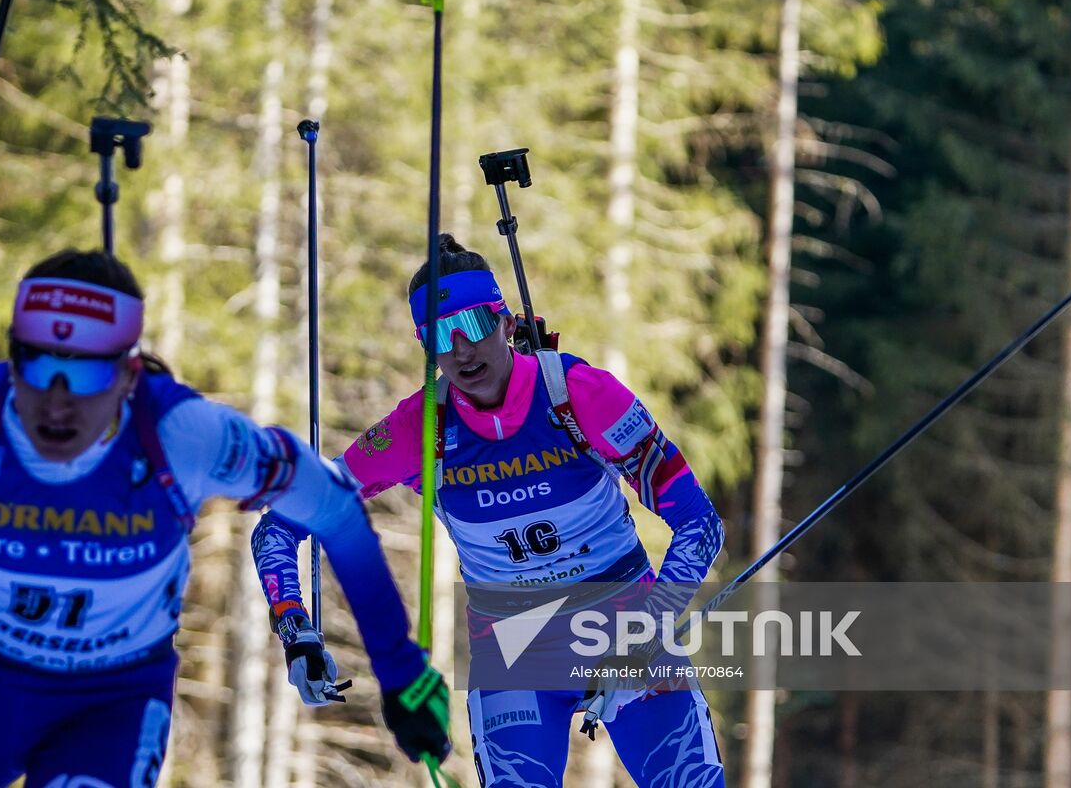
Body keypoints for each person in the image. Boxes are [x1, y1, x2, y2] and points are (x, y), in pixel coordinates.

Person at [0, 249, 451, 788]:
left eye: (88, 377)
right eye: (39, 369)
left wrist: (400, 669)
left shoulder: (187, 433)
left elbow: (333, 510)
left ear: (128, 374)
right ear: (13, 359)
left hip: (110, 698)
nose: (58, 405)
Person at [252, 235, 726, 788]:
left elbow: (700, 522)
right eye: (438, 337)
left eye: (474, 324)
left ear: (505, 322)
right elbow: (276, 530)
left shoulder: (578, 395)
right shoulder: (418, 431)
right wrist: (296, 630)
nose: (461, 349)